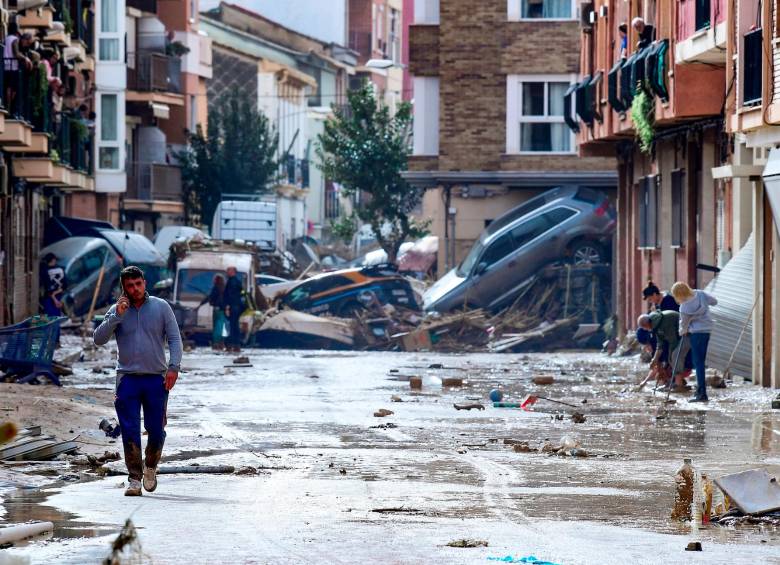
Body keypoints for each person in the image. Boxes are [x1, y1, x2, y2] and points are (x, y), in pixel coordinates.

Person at [93, 266, 182, 496]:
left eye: (138, 284)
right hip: (127, 379)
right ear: (124, 288)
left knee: (155, 429)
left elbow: (174, 338)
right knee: (130, 429)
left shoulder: (161, 307)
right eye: (130, 286)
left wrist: (174, 367)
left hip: (156, 379)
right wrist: (116, 316)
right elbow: (99, 339)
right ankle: (134, 478)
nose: (135, 289)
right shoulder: (117, 310)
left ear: (144, 282)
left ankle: (150, 466)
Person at [672, 281, 718, 403]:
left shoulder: (684, 307)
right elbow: (714, 301)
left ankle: (702, 393)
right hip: (707, 330)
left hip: (696, 333)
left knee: (698, 363)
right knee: (700, 362)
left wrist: (683, 330)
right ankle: (699, 391)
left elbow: (683, 327)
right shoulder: (700, 294)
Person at [637, 310, 689, 391]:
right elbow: (660, 344)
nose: (647, 330)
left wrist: (669, 357)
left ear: (647, 324)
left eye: (645, 328)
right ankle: (676, 382)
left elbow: (673, 341)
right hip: (678, 337)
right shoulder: (655, 326)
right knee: (670, 359)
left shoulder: (664, 321)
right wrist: (654, 359)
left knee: (674, 356)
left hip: (687, 333)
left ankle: (679, 385)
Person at [200, 274, 227, 351]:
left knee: (216, 327)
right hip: (222, 310)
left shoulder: (216, 288)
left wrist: (201, 304)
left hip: (217, 310)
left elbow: (210, 297)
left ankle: (216, 343)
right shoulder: (224, 288)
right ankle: (221, 343)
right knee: (221, 327)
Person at [223, 266, 244, 353]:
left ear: (233, 272)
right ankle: (236, 345)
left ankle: (232, 345)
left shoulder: (232, 282)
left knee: (232, 327)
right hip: (237, 307)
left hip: (233, 307)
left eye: (228, 270)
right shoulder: (237, 281)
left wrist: (227, 306)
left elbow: (230, 295)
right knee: (235, 326)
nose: (227, 272)